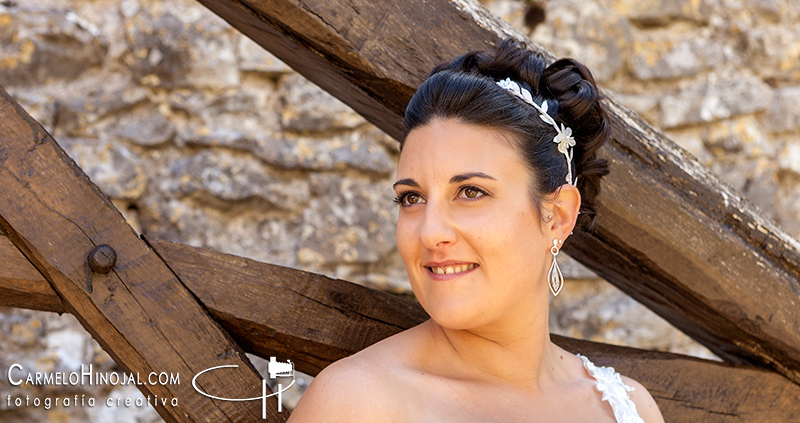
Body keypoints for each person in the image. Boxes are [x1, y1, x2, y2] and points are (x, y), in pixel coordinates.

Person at [287, 38, 665, 423]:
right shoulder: (356, 404)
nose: (430, 233)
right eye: (412, 198)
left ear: (558, 215)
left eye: (470, 192)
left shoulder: (630, 408)